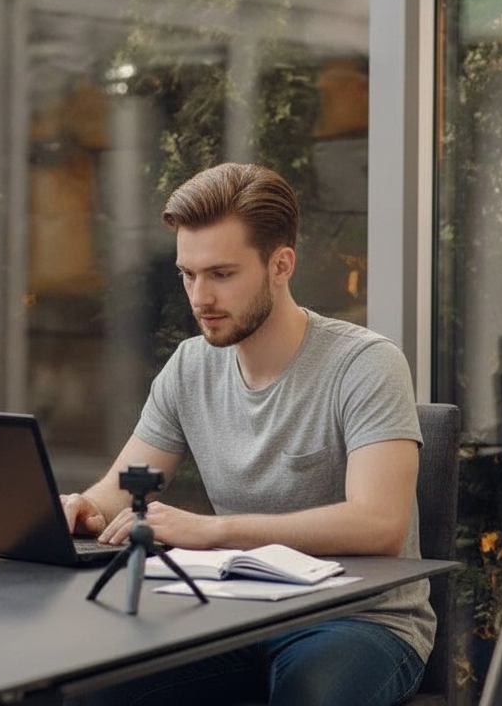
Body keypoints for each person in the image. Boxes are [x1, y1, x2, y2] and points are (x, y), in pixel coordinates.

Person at [61, 162, 432, 706]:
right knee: (91, 692)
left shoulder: (366, 365)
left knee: (310, 696)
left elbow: (380, 526)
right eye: (188, 274)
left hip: (360, 622)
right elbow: (121, 487)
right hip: (235, 615)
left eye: (221, 274)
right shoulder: (190, 367)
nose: (200, 297)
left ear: (281, 264)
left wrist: (214, 531)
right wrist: (82, 509)